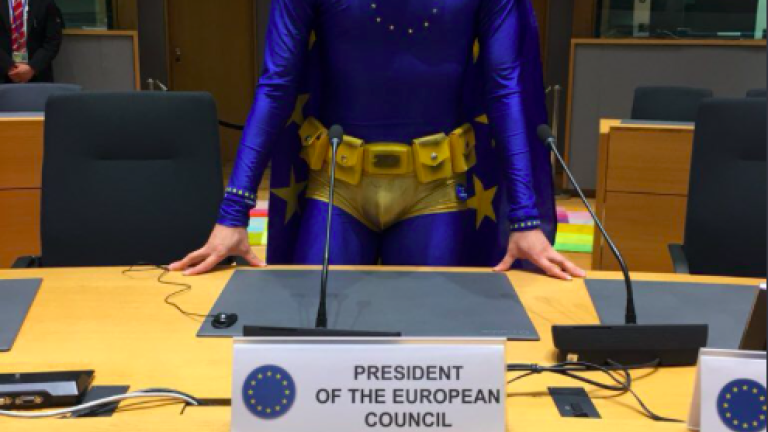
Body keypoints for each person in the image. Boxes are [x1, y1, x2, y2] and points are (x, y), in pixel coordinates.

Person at [171, 0, 586, 280]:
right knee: (316, 336)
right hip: (336, 186)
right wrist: (233, 214)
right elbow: (276, 86)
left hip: (436, 189)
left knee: (432, 347)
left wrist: (525, 219)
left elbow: (505, 90)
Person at [0, 0, 63, 84]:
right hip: (3, 74)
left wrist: (32, 68)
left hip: (38, 75)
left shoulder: (45, 3)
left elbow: (53, 40)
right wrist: (9, 67)